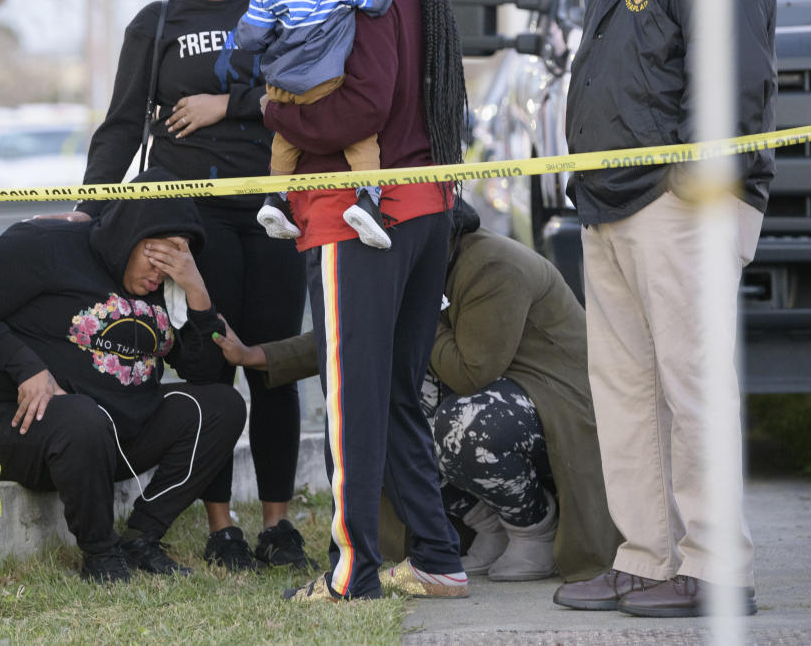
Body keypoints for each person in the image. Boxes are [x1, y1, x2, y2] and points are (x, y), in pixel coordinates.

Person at [554, 0, 776, 618]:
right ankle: (647, 557)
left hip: (678, 206)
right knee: (626, 392)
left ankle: (716, 568)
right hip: (610, 206)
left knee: (692, 388)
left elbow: (734, 79)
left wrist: (688, 186)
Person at [81, 0, 314, 572]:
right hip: (190, 220)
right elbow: (122, 126)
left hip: (270, 213)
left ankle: (278, 524)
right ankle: (222, 527)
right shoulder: (157, 24)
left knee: (272, 365)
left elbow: (306, 96)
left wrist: (229, 105)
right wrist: (90, 204)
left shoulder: (279, 7)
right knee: (209, 367)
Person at [214, 202, 621, 586]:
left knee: (462, 425)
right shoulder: (434, 262)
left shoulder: (493, 265)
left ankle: (534, 530)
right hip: (504, 397)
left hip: (559, 401)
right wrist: (256, 356)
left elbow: (469, 372)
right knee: (387, 401)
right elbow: (349, 333)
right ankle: (491, 525)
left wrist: (415, 304)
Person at [260, 0, 470, 602]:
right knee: (393, 394)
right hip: (422, 209)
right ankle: (439, 557)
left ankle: (353, 572)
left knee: (350, 399)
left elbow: (361, 107)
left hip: (358, 217)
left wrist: (278, 116)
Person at [0, 169, 246, 583]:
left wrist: (197, 292)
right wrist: (26, 367)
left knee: (223, 405)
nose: (160, 273)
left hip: (118, 439)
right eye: (155, 255)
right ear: (128, 233)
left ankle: (143, 536)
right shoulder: (48, 244)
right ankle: (100, 552)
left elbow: (204, 372)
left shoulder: (169, 289)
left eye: (175, 260)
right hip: (28, 426)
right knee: (83, 419)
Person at [229, 0, 399, 250]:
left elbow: (250, 37)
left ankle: (274, 200)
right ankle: (368, 200)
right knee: (361, 140)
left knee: (284, 141)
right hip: (326, 81)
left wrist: (241, 38)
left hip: (280, 87)